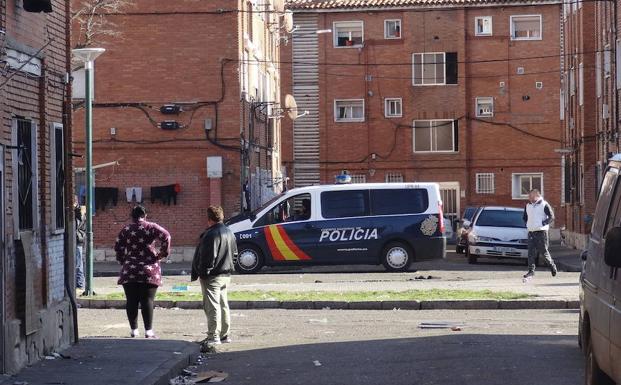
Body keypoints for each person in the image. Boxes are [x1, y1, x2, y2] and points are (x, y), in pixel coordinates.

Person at [114, 205, 171, 339]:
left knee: (131, 300)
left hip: (130, 269)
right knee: (148, 300)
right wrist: (161, 254)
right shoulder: (151, 227)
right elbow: (166, 236)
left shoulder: (126, 229)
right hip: (149, 269)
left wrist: (123, 260)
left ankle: (134, 330)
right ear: (145, 215)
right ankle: (149, 331)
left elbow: (118, 246)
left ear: (132, 216)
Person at [192, 206, 238, 346]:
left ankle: (213, 336)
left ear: (209, 219)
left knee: (212, 306)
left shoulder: (211, 234)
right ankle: (225, 334)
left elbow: (207, 257)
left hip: (212, 276)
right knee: (223, 305)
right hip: (226, 274)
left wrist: (203, 273)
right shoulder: (229, 232)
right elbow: (235, 254)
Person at [522, 189, 557, 279]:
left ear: (536, 195)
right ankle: (531, 271)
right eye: (528, 197)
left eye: (531, 196)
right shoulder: (527, 206)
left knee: (543, 251)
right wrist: (528, 224)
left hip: (541, 232)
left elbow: (551, 217)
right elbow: (525, 217)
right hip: (531, 232)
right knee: (530, 252)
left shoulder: (544, 204)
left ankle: (552, 265)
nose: (529, 198)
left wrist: (543, 223)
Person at [74, 196, 86, 290]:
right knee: (77, 263)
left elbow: (80, 221)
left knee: (78, 263)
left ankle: (80, 284)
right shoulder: (76, 211)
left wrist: (76, 209)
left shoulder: (80, 211)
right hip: (76, 238)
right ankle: (78, 283)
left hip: (78, 239)